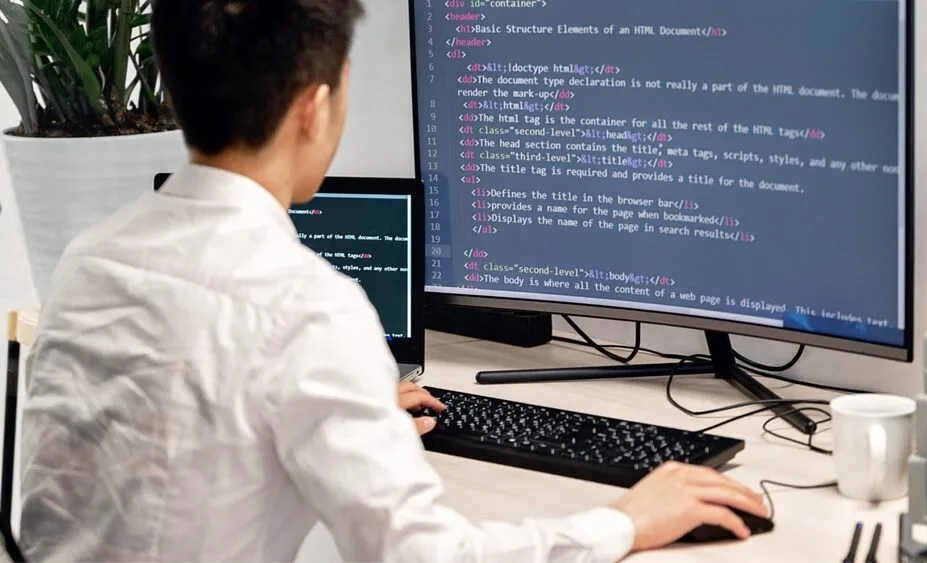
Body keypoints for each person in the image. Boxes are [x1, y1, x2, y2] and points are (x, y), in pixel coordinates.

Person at [16, 1, 768, 561]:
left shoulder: (90, 257)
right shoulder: (307, 309)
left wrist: (340, 408)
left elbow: (167, 449)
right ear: (315, 108)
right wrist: (627, 521)